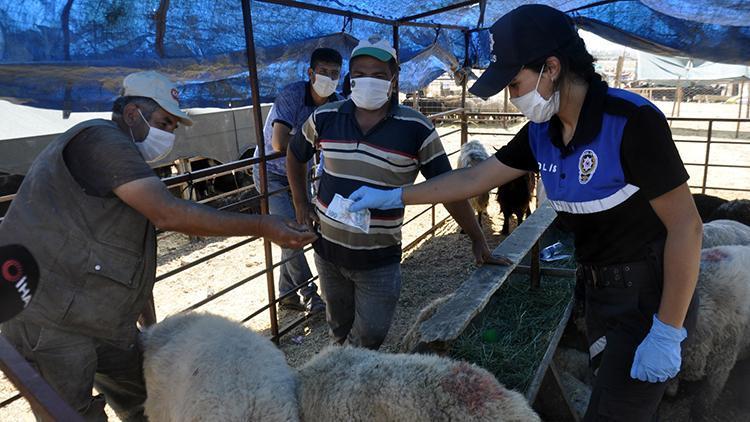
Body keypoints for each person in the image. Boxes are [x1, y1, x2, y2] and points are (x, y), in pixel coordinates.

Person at [348, 5, 702, 421]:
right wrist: (393, 196)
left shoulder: (631, 122)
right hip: (596, 291)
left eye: (515, 83)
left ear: (551, 67)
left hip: (650, 297)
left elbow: (687, 227)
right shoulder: (543, 131)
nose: (512, 97)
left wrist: (667, 329)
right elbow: (473, 179)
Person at [0, 70, 316, 421]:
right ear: (133, 114)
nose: (169, 134)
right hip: (50, 317)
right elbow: (167, 214)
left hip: (103, 319)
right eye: (165, 122)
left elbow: (130, 249)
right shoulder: (100, 141)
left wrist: (147, 326)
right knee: (73, 414)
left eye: (173, 127)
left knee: (148, 397)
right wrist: (260, 224)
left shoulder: (129, 165)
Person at [286, 39, 509, 351]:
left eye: (379, 74)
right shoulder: (326, 117)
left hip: (379, 260)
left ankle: (350, 370)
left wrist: (476, 236)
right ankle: (342, 378)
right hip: (328, 253)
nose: (368, 80)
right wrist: (300, 203)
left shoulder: (415, 127)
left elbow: (447, 187)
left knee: (370, 337)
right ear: (350, 77)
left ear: (394, 78)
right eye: (360, 73)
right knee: (338, 329)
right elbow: (295, 155)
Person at [252, 48, 343, 314]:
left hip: (304, 171)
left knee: (294, 227)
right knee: (292, 232)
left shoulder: (335, 103)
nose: (328, 78)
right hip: (271, 171)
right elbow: (279, 142)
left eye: (334, 74)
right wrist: (315, 142)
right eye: (323, 72)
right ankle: (310, 295)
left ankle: (286, 295)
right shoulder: (292, 96)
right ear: (310, 73)